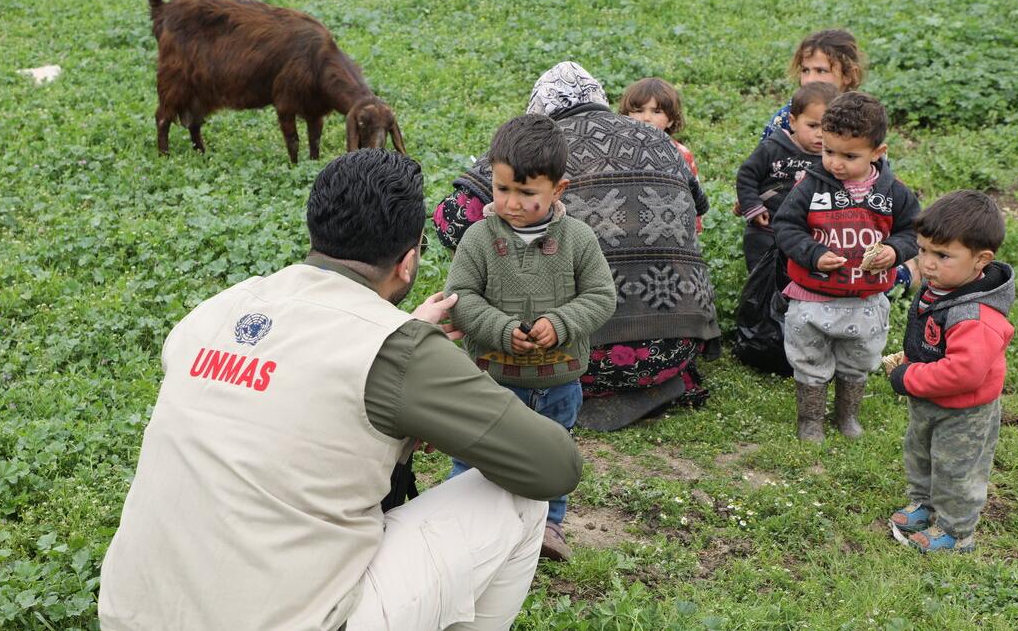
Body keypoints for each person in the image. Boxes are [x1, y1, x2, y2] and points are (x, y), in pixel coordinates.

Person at [99, 149, 584, 631]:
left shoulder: (214, 311)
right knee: (521, 498)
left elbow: (281, 385)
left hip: (132, 616)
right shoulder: (399, 351)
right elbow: (553, 465)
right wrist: (414, 367)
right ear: (408, 261)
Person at [432, 62, 720, 432]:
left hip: (551, 363)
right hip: (671, 352)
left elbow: (449, 223)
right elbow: (698, 210)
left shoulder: (530, 149)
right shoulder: (659, 140)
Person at [445, 114, 616, 561]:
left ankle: (549, 526)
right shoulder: (479, 240)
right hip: (492, 377)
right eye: (503, 189)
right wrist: (499, 330)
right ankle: (460, 519)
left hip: (558, 380)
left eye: (526, 193)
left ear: (558, 189)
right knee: (478, 444)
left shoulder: (579, 240)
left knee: (553, 449)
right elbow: (459, 297)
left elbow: (601, 296)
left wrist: (560, 323)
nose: (513, 203)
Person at [773, 92, 920, 442]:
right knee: (810, 356)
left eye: (849, 156)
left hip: (865, 299)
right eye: (828, 152)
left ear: (877, 153)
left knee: (859, 357)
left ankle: (847, 415)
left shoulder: (893, 193)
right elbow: (785, 226)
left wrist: (894, 251)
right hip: (813, 297)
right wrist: (811, 253)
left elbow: (913, 231)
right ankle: (810, 420)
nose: (836, 163)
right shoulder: (810, 186)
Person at [884, 190, 1015, 553]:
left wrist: (909, 378)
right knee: (921, 452)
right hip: (930, 396)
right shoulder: (942, 287)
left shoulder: (976, 316)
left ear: (981, 260)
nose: (927, 263)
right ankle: (924, 505)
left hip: (963, 410)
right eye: (923, 250)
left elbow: (964, 373)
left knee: (956, 469)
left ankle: (956, 531)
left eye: (942, 255)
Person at [737, 82, 840, 273]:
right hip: (767, 227)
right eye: (812, 125)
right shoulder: (774, 147)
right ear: (793, 121)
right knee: (762, 274)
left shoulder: (833, 158)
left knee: (798, 274)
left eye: (829, 128)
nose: (820, 134)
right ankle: (762, 300)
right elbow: (747, 175)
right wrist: (752, 206)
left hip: (806, 235)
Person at [619, 77, 709, 232]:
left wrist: (695, 231)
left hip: (669, 229)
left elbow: (693, 201)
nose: (646, 118)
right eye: (639, 110)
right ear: (625, 115)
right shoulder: (618, 151)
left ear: (670, 120)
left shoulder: (681, 154)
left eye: (656, 111)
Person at [760, 28, 865, 142]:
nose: (809, 80)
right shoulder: (789, 116)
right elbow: (764, 156)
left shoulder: (862, 118)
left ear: (848, 75)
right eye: (805, 70)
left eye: (821, 71)